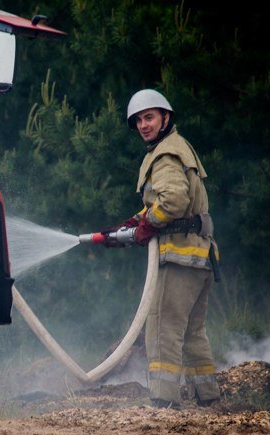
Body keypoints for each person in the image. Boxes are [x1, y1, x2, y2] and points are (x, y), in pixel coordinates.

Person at [105, 88, 221, 408]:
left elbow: (173, 201)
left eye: (149, 117)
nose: (143, 125)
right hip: (200, 256)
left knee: (161, 328)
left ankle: (163, 401)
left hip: (179, 256)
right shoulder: (179, 147)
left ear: (165, 117)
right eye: (139, 120)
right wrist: (136, 220)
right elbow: (169, 201)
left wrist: (148, 223)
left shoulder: (166, 154)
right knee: (193, 333)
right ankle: (208, 398)